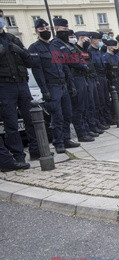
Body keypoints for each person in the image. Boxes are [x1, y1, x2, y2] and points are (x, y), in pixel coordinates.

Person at [29, 18, 80, 154]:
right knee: (56, 116)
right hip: (51, 86)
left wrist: (70, 84)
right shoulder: (34, 48)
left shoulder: (54, 46)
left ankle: (66, 138)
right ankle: (58, 142)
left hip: (63, 85)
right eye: (42, 30)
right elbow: (37, 71)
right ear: (36, 31)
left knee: (67, 114)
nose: (45, 31)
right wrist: (44, 90)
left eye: (47, 29)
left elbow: (64, 66)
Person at [0, 12, 35, 165]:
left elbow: (30, 62)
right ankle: (18, 156)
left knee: (31, 119)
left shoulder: (13, 39)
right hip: (5, 86)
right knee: (11, 124)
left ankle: (36, 150)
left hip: (22, 84)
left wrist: (21, 51)